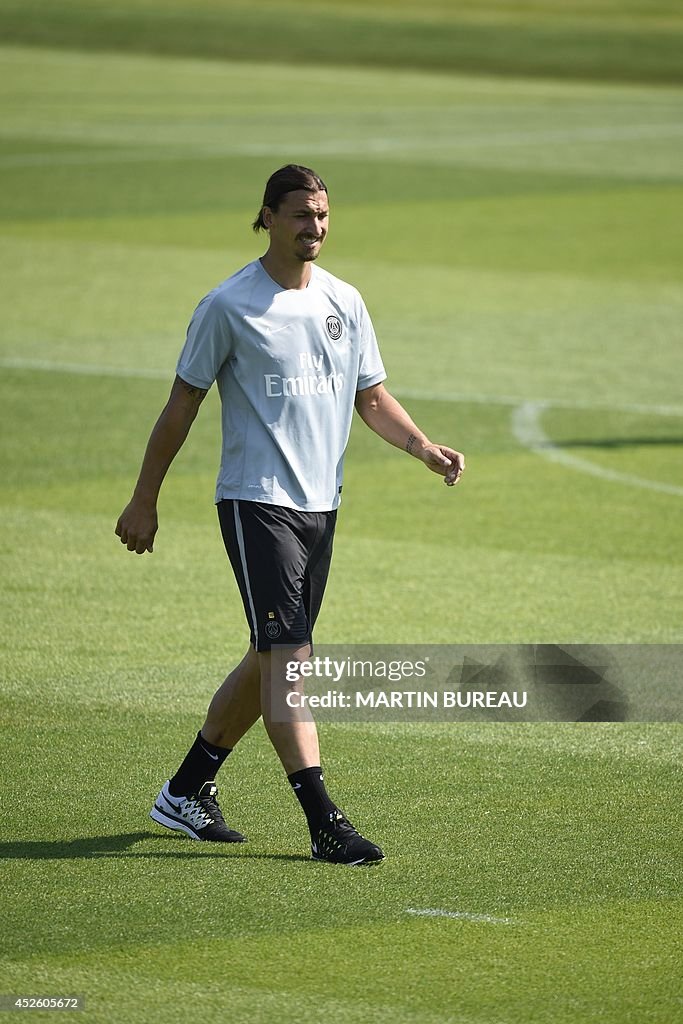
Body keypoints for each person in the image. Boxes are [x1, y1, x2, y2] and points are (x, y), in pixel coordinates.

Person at [115, 164, 465, 866]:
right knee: (290, 662)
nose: (315, 227)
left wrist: (420, 446)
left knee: (269, 652)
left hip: (319, 504)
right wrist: (144, 497)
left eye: (324, 215)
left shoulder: (344, 300)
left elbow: (370, 396)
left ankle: (186, 789)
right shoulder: (229, 305)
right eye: (302, 214)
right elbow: (181, 404)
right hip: (256, 500)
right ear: (267, 217)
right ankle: (323, 820)